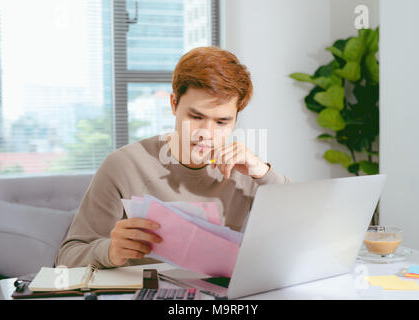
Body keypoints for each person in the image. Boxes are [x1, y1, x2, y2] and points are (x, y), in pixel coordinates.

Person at [55, 46, 291, 268]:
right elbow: (66, 259)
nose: (206, 134)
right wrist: (109, 251)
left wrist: (262, 172)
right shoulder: (124, 165)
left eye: (222, 122)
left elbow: (301, 229)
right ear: (173, 104)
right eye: (196, 116)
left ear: (235, 119)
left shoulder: (243, 169)